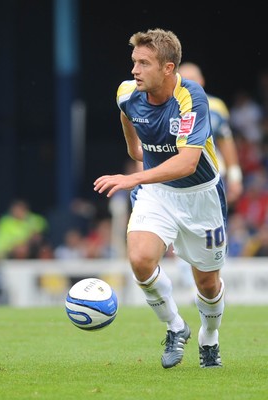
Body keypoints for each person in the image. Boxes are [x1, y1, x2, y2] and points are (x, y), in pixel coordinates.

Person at [94, 28, 227, 369]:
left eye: (144, 63)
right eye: (134, 62)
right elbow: (126, 112)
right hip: (158, 194)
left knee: (208, 284)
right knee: (140, 260)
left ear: (168, 68)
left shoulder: (191, 98)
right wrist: (133, 149)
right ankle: (175, 326)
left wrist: (131, 176)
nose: (135, 71)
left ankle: (208, 337)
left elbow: (187, 162)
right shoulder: (128, 92)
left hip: (201, 197)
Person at [178, 62, 243, 205]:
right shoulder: (169, 107)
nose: (189, 83)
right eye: (184, 80)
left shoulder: (216, 106)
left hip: (212, 175)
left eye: (193, 78)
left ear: (202, 80)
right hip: (179, 177)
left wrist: (235, 177)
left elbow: (226, 142)